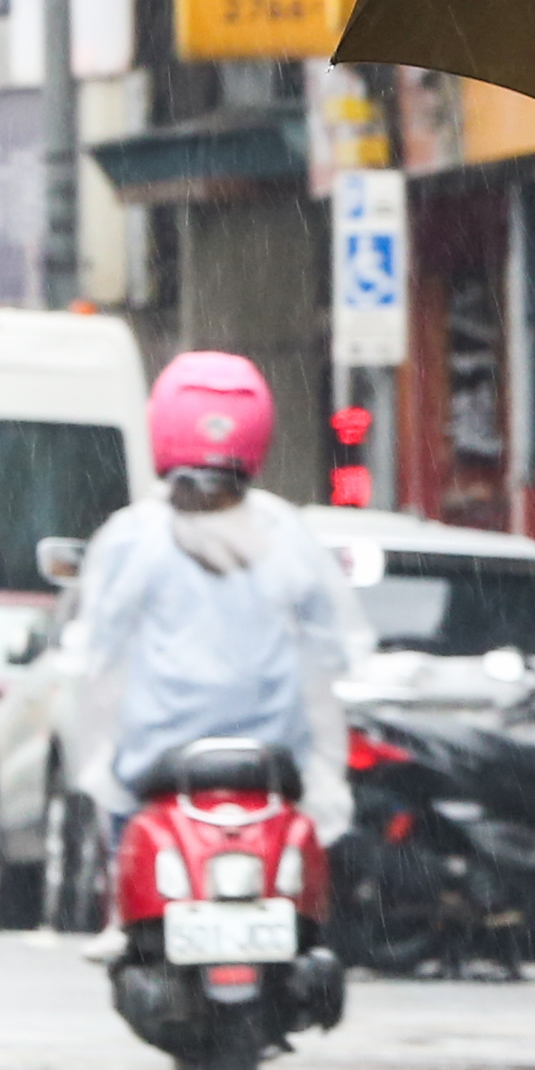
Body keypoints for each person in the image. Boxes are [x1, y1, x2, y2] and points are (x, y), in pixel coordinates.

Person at [69, 353, 357, 868]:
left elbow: (98, 650)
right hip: (272, 763)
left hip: (154, 764)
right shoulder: (288, 533)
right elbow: (336, 650)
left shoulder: (132, 537)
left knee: (114, 831)